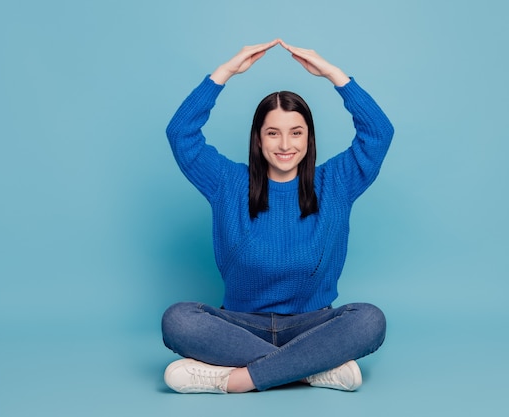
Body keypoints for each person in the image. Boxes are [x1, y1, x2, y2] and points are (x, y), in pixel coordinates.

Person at [161, 39, 394, 394]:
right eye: (273, 133)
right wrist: (225, 73)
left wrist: (333, 74)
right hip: (239, 325)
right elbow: (180, 134)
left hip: (313, 324)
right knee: (177, 320)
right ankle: (311, 369)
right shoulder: (228, 182)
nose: (285, 145)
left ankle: (237, 380)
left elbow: (379, 133)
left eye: (296, 133)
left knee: (369, 321)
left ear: (308, 137)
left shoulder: (336, 182)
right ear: (258, 138)